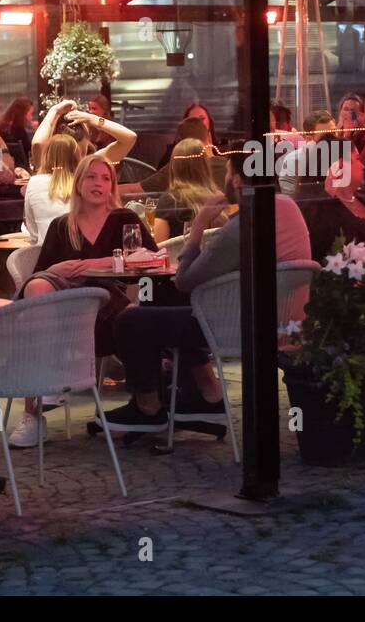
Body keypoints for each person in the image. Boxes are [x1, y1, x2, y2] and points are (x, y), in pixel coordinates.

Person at [108, 152, 312, 429]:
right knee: (161, 297)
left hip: (237, 325)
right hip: (277, 318)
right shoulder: (287, 207)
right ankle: (208, 393)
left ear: (238, 180)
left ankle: (147, 407)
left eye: (227, 173)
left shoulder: (245, 224)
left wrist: (200, 225)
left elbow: (185, 279)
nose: (224, 179)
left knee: (130, 321)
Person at [9, 154, 158, 447]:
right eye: (91, 177)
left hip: (111, 306)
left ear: (112, 186)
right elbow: (40, 271)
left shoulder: (124, 219)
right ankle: (35, 409)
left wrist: (102, 262)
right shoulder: (62, 225)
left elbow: (152, 258)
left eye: (106, 178)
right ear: (78, 183)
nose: (98, 183)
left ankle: (50, 380)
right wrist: (57, 269)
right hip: (66, 307)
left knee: (65, 297)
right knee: (38, 287)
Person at [132, 116, 224, 196]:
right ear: (209, 136)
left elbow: (132, 191)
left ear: (180, 142)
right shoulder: (229, 166)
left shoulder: (176, 168)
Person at [153, 138, 222, 241]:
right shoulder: (220, 199)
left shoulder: (168, 201)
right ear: (205, 165)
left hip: (178, 257)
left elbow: (160, 250)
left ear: (174, 167)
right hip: (214, 257)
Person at [22, 133, 82, 244]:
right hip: (80, 253)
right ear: (76, 156)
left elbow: (33, 230)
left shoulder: (34, 182)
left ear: (46, 155)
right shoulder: (83, 183)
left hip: (44, 254)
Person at [277, 109, 338, 197]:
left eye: (333, 133)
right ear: (308, 138)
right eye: (325, 137)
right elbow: (292, 202)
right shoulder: (293, 162)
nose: (332, 139)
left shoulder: (345, 155)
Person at [0, 97, 37, 167]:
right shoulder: (19, 131)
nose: (31, 117)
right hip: (21, 169)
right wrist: (37, 131)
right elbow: (33, 150)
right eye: (30, 114)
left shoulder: (1, 127)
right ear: (23, 113)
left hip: (1, 167)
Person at [335, 93, 365, 157]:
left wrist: (348, 135)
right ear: (340, 112)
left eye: (353, 111)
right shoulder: (333, 134)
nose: (349, 113)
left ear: (361, 115)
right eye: (346, 109)